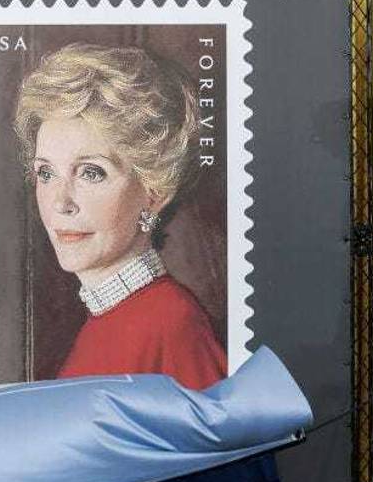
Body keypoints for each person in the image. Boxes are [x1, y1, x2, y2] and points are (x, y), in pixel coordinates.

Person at [13, 42, 225, 390]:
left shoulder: (172, 322)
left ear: (154, 193)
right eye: (46, 173)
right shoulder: (105, 319)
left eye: (91, 172)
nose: (60, 202)